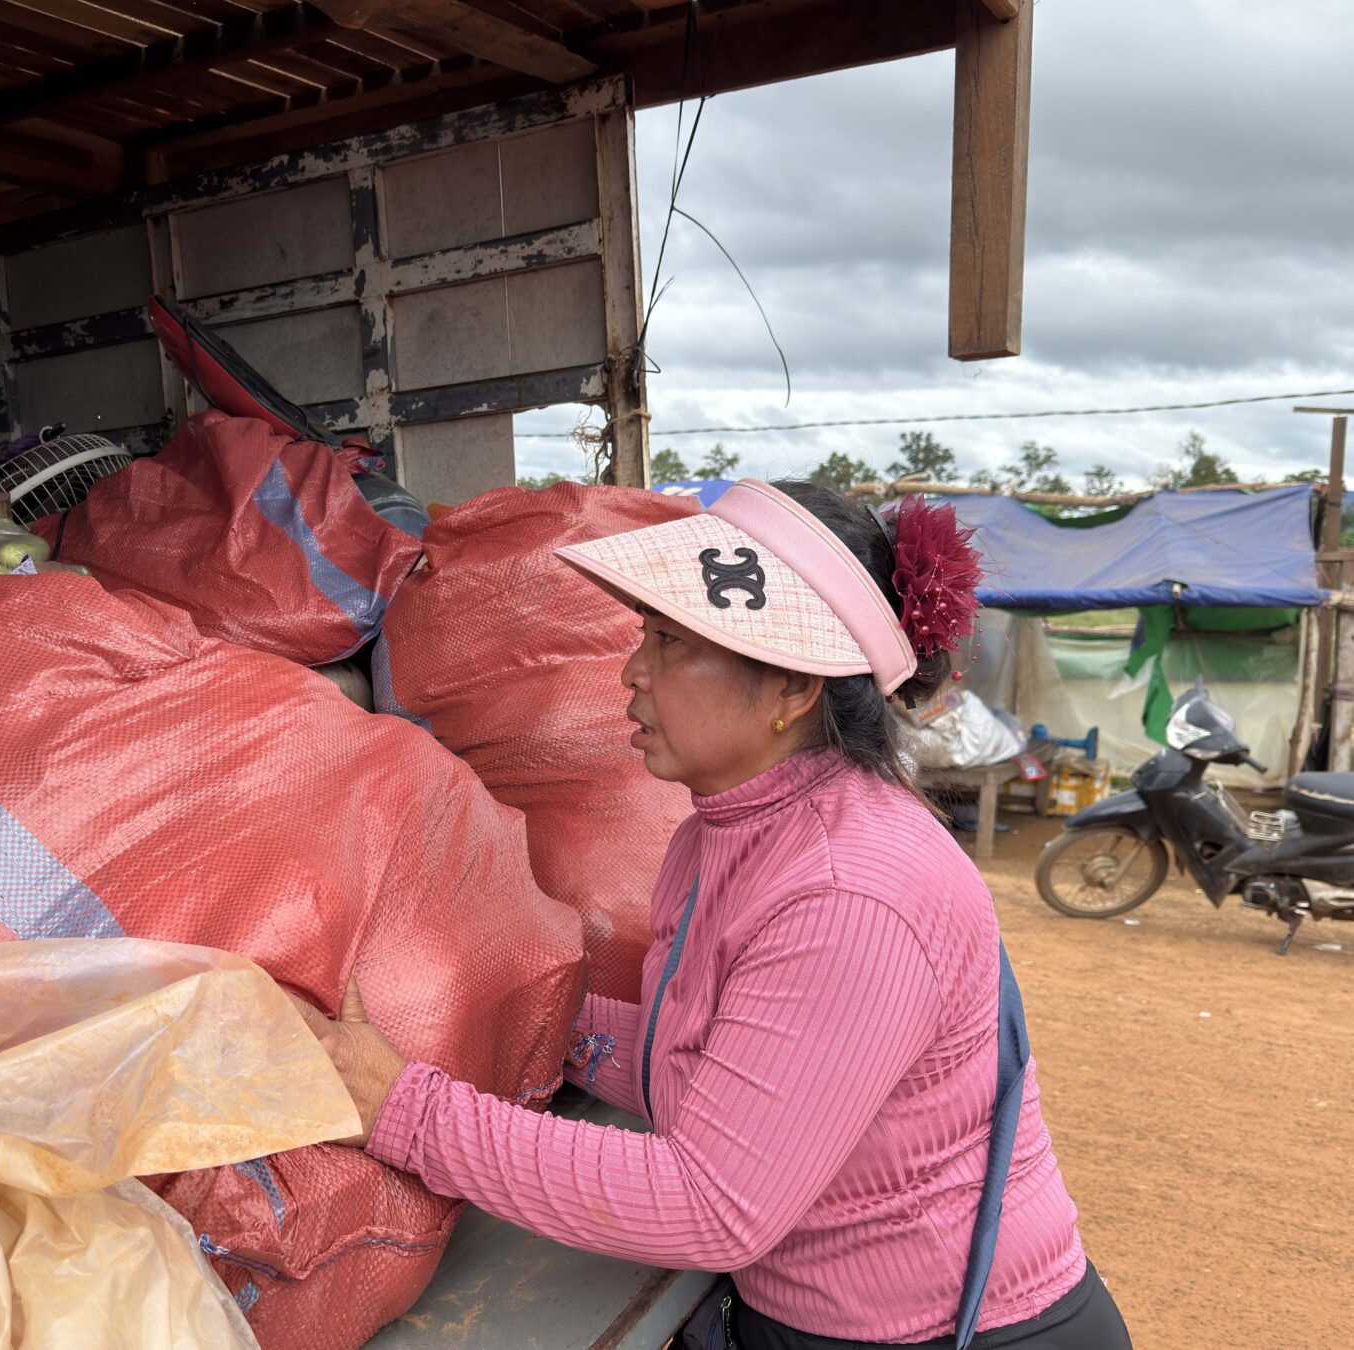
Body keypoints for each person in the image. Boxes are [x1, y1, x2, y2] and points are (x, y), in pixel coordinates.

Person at [293, 479, 1131, 1349]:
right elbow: (696, 1061)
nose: (632, 671)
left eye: (670, 642)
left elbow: (712, 1204)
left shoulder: (848, 891)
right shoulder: (724, 834)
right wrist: (523, 1009)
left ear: (790, 689)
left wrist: (404, 1111)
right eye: (644, 635)